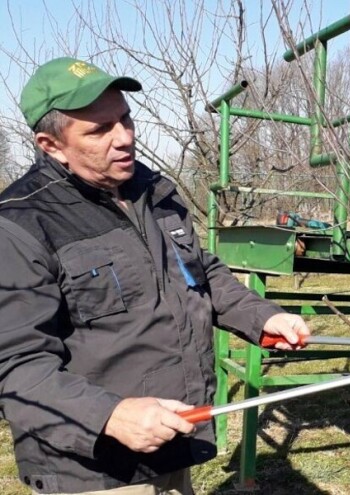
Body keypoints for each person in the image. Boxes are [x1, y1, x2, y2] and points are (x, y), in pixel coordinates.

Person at [0, 57, 310, 494]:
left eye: (125, 118)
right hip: (95, 470)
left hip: (172, 441)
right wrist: (110, 415)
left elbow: (201, 273)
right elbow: (16, 370)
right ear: (51, 145)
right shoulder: (20, 225)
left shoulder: (154, 191)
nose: (124, 137)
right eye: (98, 130)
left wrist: (261, 317)